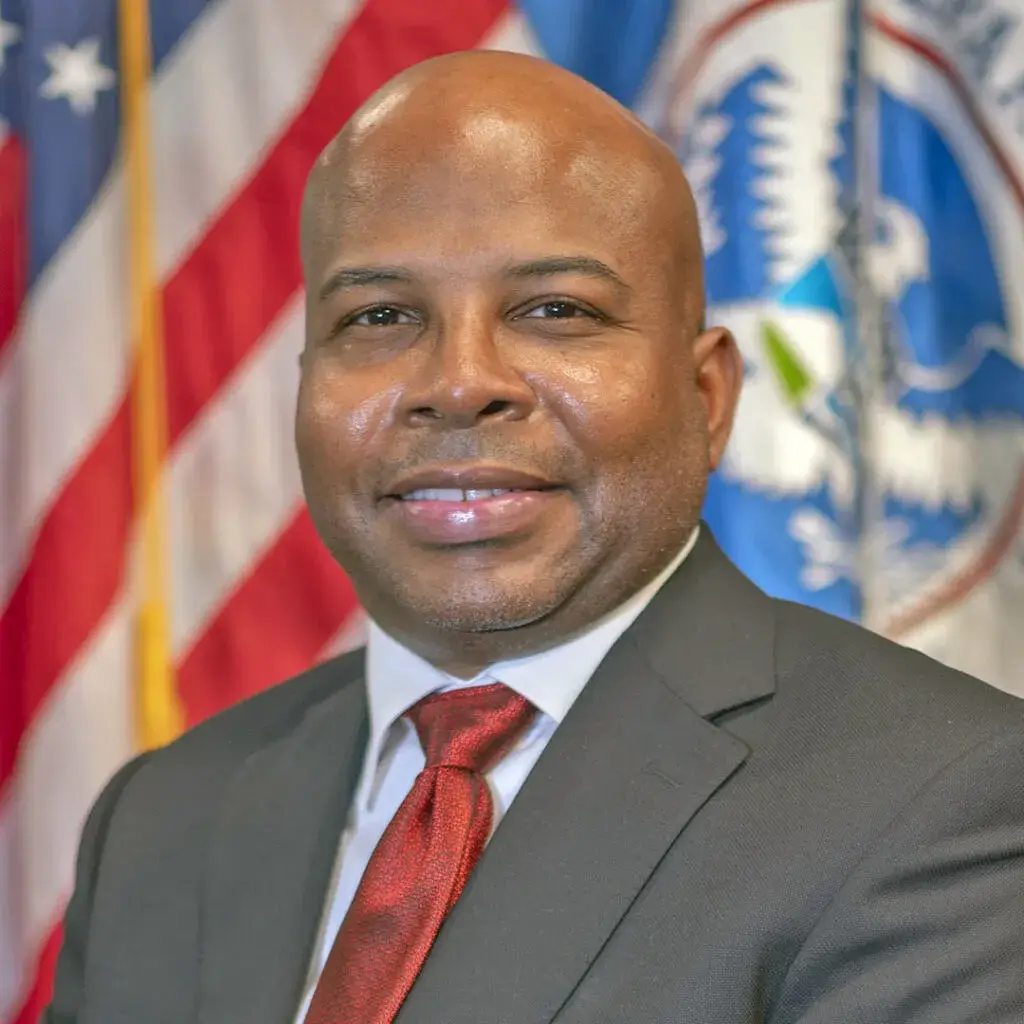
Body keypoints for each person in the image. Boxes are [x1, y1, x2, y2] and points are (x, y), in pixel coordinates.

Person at [43, 51, 1024, 1024]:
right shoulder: (160, 818)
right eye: (378, 314)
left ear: (707, 396)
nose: (459, 381)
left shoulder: (942, 800)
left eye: (556, 310)